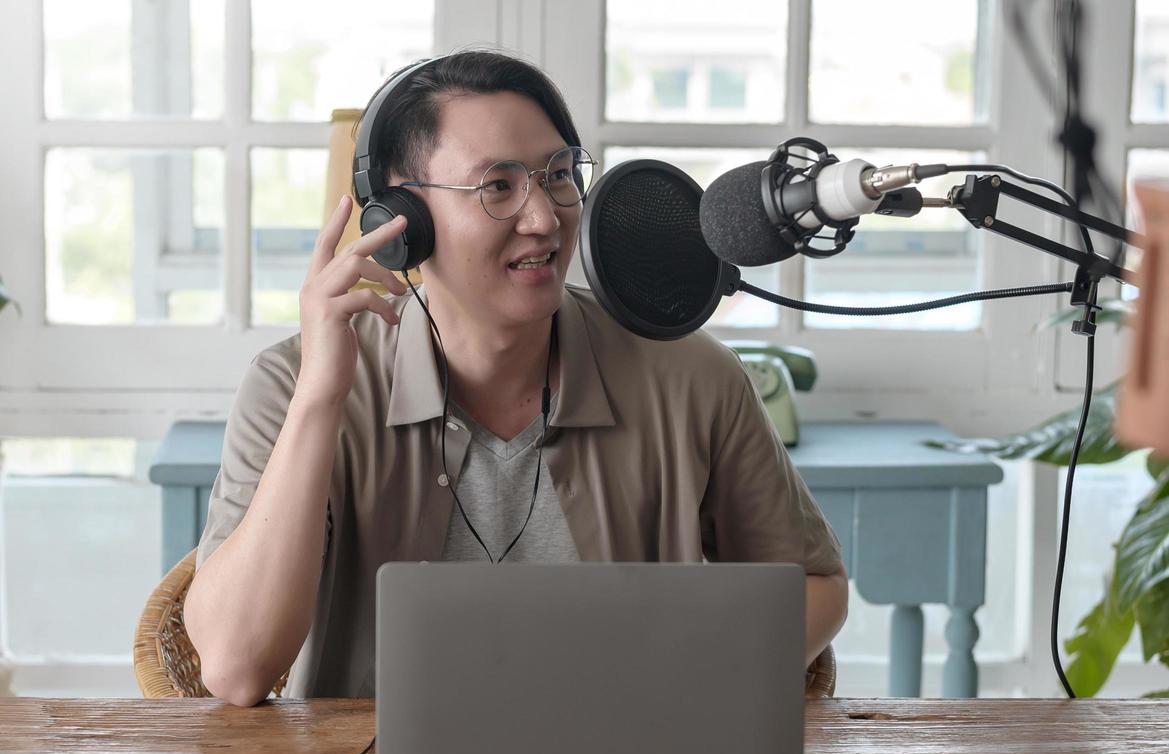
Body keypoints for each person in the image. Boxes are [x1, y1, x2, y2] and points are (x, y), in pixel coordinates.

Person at [184, 49, 848, 706]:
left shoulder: (689, 374)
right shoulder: (292, 383)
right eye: (496, 186)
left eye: (558, 175)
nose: (543, 219)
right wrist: (320, 401)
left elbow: (814, 585)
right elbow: (238, 668)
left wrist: (688, 687)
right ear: (399, 224)